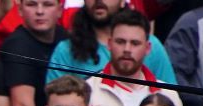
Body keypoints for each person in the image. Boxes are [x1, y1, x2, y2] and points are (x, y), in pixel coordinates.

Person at [84, 9, 182, 106]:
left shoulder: (169, 95)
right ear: (109, 44)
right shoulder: (87, 91)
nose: (127, 50)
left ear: (148, 48)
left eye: (135, 43)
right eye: (120, 42)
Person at [45, 0, 175, 87]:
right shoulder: (66, 50)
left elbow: (169, 98)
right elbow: (57, 105)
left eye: (134, 44)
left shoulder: (152, 46)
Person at [1, 0, 68, 106]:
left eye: (47, 4)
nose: (40, 11)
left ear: (60, 10)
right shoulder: (17, 45)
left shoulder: (66, 39)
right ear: (19, 10)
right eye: (32, 4)